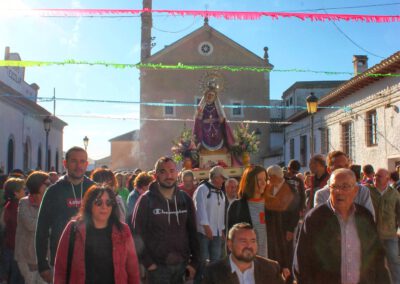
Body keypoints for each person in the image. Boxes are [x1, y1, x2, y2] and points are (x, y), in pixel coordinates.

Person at [294, 169, 390, 284]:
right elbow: (301, 264)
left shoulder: (365, 217)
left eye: (345, 186)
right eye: (334, 187)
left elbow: (377, 260)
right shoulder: (315, 219)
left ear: (355, 191)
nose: (339, 191)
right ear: (329, 189)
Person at [53, 185, 140, 284]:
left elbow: (132, 270)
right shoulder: (73, 228)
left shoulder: (123, 230)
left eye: (109, 203)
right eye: (98, 202)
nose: (104, 207)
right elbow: (60, 268)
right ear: (89, 204)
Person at [132, 157, 199, 284]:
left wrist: (194, 262)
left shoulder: (185, 199)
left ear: (177, 173)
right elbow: (136, 234)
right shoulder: (146, 200)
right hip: (157, 269)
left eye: (172, 171)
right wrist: (148, 263)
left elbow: (193, 233)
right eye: (163, 171)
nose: (169, 175)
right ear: (155, 175)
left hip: (182, 267)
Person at [36, 146, 94, 283]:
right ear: (65, 163)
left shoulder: (94, 189)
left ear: (86, 164)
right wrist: (42, 264)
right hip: (61, 258)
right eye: (74, 161)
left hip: (91, 259)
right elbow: (41, 229)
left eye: (82, 161)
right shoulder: (53, 191)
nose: (78, 166)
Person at [202, 223, 284, 284]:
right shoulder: (213, 272)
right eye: (243, 241)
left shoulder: (270, 269)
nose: (249, 245)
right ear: (230, 245)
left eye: (253, 241)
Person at [313, 151, 375, 218]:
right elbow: (320, 223)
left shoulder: (362, 191)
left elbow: (370, 219)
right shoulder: (322, 195)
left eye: (346, 166)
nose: (344, 170)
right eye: (339, 167)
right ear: (329, 170)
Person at [265, 165, 299, 281]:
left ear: (275, 176)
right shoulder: (269, 187)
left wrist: (290, 229)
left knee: (286, 255)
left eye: (269, 177)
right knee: (273, 254)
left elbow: (295, 211)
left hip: (285, 228)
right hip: (272, 228)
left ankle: (288, 280)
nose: (268, 179)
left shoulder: (290, 188)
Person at [15, 171, 50, 284]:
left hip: (46, 256)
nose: (50, 185)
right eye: (47, 183)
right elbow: (30, 225)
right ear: (38, 184)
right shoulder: (24, 203)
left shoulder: (49, 202)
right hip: (27, 256)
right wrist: (48, 224)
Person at [193, 166, 227, 283]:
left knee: (215, 262)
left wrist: (221, 229)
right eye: (222, 178)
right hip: (203, 232)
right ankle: (198, 281)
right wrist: (206, 227)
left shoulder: (221, 193)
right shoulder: (202, 189)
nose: (223, 181)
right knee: (203, 260)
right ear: (215, 177)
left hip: (216, 233)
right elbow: (199, 209)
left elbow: (221, 213)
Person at [227, 166, 268, 258]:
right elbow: (230, 239)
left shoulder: (271, 205)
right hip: (245, 263)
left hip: (268, 263)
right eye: (259, 180)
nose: (263, 183)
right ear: (250, 181)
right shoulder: (237, 206)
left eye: (265, 179)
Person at [368, 168, 400, 283]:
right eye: (375, 175)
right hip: (372, 235)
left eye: (379, 176)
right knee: (372, 264)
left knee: (394, 262)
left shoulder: (394, 193)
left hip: (390, 235)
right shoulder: (367, 191)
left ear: (387, 178)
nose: (375, 178)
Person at [193, 85, 235, 151]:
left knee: (219, 135)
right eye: (209, 95)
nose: (210, 96)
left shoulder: (217, 107)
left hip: (216, 128)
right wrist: (200, 115)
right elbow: (198, 120)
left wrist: (221, 119)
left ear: (215, 97)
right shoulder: (203, 107)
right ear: (206, 96)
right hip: (205, 129)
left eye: (212, 95)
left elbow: (222, 119)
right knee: (203, 137)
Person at [3, 178, 26, 284]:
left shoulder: (8, 205)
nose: (25, 191)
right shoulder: (18, 207)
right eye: (22, 189)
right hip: (17, 250)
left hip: (10, 247)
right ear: (16, 193)